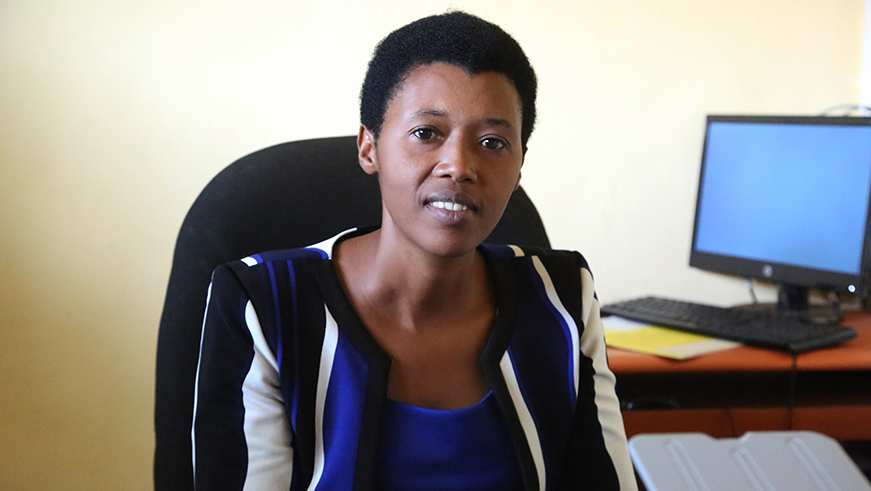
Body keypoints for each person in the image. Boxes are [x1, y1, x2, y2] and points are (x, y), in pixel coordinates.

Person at [192, 11, 637, 491]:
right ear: (369, 148)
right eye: (427, 133)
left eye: (493, 142)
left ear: (519, 167)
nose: (459, 165)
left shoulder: (562, 298)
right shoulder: (265, 304)